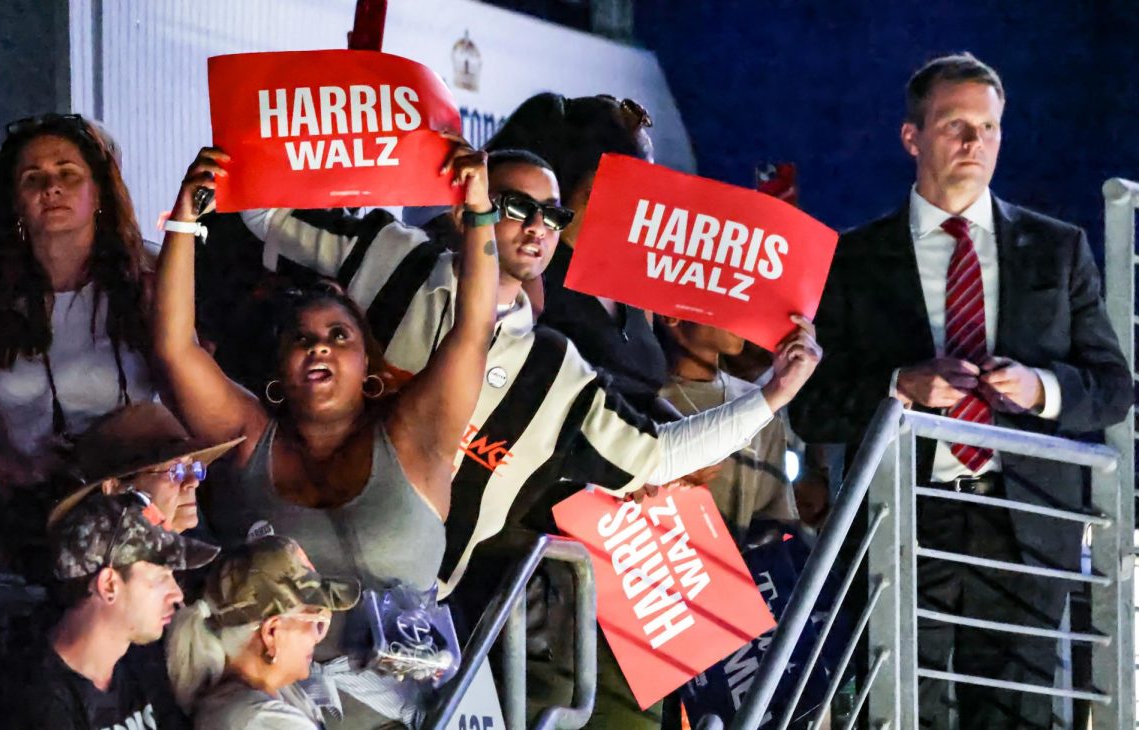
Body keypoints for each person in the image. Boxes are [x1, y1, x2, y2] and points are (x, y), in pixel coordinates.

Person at [239, 147, 820, 599]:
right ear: (470, 198)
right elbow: (265, 216)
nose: (539, 226)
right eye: (518, 207)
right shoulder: (396, 258)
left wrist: (774, 393)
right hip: (289, 555)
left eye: (553, 214)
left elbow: (660, 455)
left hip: (406, 604)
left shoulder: (555, 370)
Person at [789, 53, 1131, 728]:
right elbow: (811, 405)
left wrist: (1041, 388)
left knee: (1019, 718)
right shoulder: (852, 258)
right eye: (956, 126)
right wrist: (898, 386)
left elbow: (1113, 389)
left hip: (1027, 529)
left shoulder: (1057, 249)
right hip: (904, 524)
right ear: (912, 136)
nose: (976, 143)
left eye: (990, 127)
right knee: (909, 712)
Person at [154, 140, 497, 726]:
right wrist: (185, 220)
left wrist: (481, 211)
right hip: (275, 713)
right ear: (278, 374)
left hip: (411, 717)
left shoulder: (415, 438)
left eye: (340, 336)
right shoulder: (248, 439)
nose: (319, 345)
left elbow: (472, 331)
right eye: (301, 338)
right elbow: (173, 348)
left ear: (369, 368)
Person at [0, 114, 157, 486]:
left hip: (145, 491)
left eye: (68, 173)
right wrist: (24, 472)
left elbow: (192, 405)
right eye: (32, 178)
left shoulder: (147, 280)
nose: (51, 187)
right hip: (37, 502)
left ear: (99, 192)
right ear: (16, 203)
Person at [485, 93, 673, 418]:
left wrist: (678, 430)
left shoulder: (629, 282)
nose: (637, 205)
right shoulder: (528, 278)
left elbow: (644, 388)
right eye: (625, 184)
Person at [19, 490, 218, 728]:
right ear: (109, 585)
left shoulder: (138, 664)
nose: (177, 595)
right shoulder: (37, 700)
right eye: (160, 577)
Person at [167, 535, 356, 729]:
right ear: (271, 634)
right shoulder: (258, 720)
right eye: (314, 621)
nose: (316, 637)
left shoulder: (265, 689)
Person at [657, 316, 798, 542]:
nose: (741, 315)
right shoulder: (639, 396)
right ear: (671, 316)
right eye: (723, 302)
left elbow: (775, 518)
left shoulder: (760, 405)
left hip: (730, 571)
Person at [47, 401, 244, 534]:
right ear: (114, 487)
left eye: (194, 468)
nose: (193, 483)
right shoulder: (117, 573)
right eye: (175, 471)